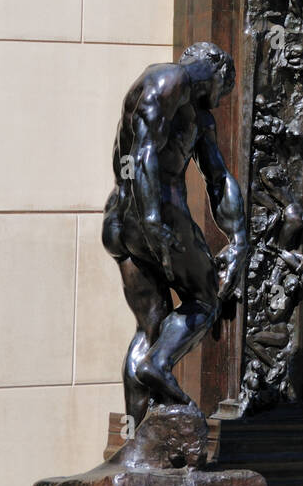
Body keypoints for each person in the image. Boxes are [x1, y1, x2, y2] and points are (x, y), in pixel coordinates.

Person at [102, 42, 248, 426]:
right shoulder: (171, 78)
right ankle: (159, 364)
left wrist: (240, 238)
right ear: (216, 70)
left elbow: (218, 180)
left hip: (120, 221)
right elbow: (145, 151)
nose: (218, 101)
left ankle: (135, 435)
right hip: (157, 216)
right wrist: (154, 224)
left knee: (152, 325)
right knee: (207, 298)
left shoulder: (195, 114)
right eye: (224, 88)